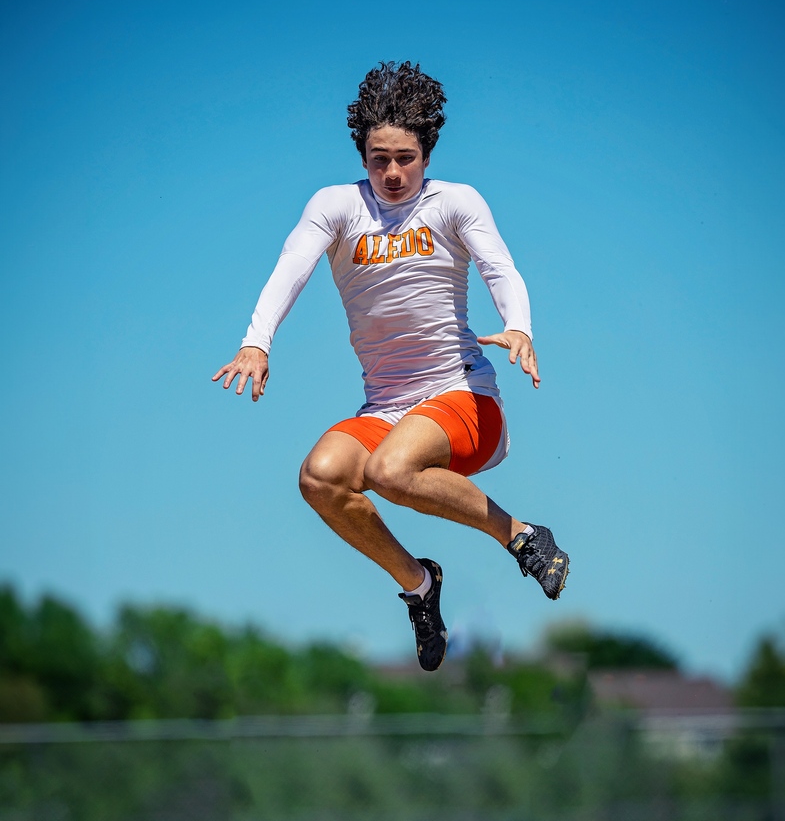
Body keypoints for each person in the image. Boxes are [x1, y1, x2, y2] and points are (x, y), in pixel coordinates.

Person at [213, 61, 569, 672]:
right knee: (321, 477)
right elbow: (290, 267)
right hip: (386, 405)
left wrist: (520, 328)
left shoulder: (454, 203)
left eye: (405, 157)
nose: (393, 173)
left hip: (464, 397)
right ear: (362, 156)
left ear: (427, 153)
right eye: (379, 159)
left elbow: (501, 269)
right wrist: (257, 342)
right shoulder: (336, 208)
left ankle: (522, 535)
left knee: (389, 469)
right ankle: (419, 585)